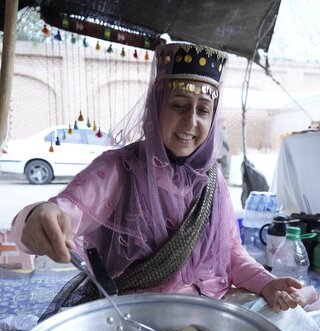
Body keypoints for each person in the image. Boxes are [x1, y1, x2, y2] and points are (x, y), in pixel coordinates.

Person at [12, 42, 310, 316]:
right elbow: (62, 212)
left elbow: (231, 252)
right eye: (179, 104)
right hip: (132, 317)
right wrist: (38, 217)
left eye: (203, 110)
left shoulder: (212, 181)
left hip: (203, 314)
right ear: (157, 107)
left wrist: (267, 282)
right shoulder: (118, 170)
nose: (191, 121)